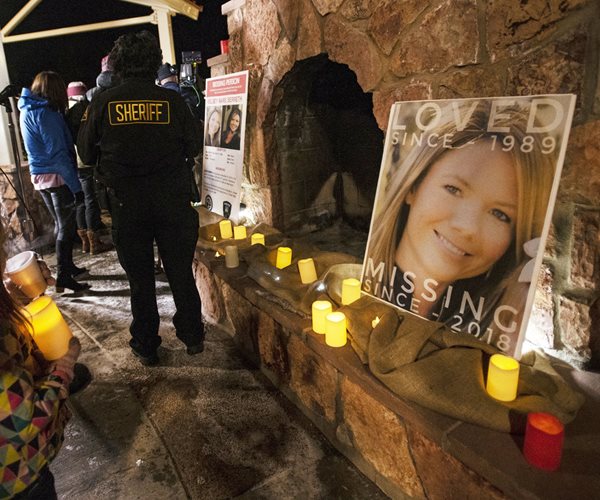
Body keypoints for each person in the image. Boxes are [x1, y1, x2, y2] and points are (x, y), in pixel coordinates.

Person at [363, 99, 558, 342]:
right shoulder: (365, 301)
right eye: (453, 189)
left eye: (500, 214)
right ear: (413, 186)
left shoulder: (492, 328)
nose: (467, 227)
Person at [77, 30, 204, 366]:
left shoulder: (102, 103)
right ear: (154, 62)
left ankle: (146, 344)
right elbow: (194, 145)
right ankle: (193, 335)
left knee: (140, 280)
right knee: (180, 272)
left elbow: (85, 153)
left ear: (118, 64)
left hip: (127, 205)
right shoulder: (173, 101)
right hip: (172, 201)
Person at [0, 219, 82, 499]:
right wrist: (63, 369)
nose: (4, 255)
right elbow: (21, 421)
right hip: (16, 479)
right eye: (1, 246)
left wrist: (16, 294)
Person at [18, 71, 90, 293]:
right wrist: (76, 188)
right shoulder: (46, 114)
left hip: (41, 177)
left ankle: (68, 267)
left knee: (61, 224)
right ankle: (64, 276)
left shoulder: (27, 110)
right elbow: (58, 154)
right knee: (66, 227)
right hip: (56, 178)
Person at [65, 81, 113, 255]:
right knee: (91, 199)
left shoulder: (69, 112)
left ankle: (85, 241)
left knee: (81, 201)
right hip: (86, 161)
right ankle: (94, 241)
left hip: (74, 161)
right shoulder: (86, 110)